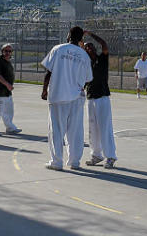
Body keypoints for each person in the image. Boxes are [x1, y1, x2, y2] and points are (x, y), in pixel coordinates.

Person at [41, 26, 93, 170]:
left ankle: (57, 161)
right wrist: (79, 84)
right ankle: (74, 161)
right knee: (75, 131)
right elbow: (89, 78)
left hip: (58, 95)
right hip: (76, 96)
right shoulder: (84, 55)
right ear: (81, 39)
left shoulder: (58, 49)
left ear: (68, 35)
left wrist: (44, 90)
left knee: (57, 129)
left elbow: (48, 72)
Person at [83, 32, 117, 169]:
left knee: (105, 127)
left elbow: (104, 44)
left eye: (91, 46)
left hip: (102, 98)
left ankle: (111, 156)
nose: (89, 48)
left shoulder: (102, 59)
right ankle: (96, 155)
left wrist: (91, 35)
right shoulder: (85, 64)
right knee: (93, 129)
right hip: (90, 98)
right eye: (87, 47)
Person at [0, 43, 22, 136]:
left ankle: (10, 127)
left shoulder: (8, 62)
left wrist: (9, 87)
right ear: (2, 51)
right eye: (6, 51)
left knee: (9, 111)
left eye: (9, 51)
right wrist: (7, 84)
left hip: (7, 92)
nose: (7, 53)